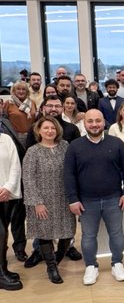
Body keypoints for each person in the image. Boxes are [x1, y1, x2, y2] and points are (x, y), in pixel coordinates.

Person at [64, 109, 124, 286]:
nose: (94, 124)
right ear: (84, 123)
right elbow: (69, 175)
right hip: (86, 201)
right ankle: (90, 266)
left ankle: (117, 264)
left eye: (98, 121)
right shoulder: (74, 146)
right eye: (90, 121)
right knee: (88, 236)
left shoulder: (116, 143)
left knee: (117, 233)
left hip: (114, 198)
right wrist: (73, 199)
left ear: (104, 123)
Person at [22, 116, 74, 284]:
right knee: (45, 234)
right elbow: (28, 178)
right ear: (38, 131)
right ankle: (51, 267)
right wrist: (37, 202)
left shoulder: (65, 146)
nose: (50, 131)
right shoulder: (33, 151)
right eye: (46, 128)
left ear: (57, 130)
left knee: (67, 233)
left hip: (64, 198)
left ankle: (58, 258)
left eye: (52, 128)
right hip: (42, 201)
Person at [0, 130, 23, 290]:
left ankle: (3, 267)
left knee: (3, 234)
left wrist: (8, 187)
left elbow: (15, 165)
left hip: (6, 196)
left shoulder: (6, 139)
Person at [6, 81, 37, 147]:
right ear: (14, 91)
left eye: (23, 89)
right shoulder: (9, 103)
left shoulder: (32, 102)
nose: (21, 91)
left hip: (32, 136)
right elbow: (4, 120)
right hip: (15, 137)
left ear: (27, 91)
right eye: (18, 89)